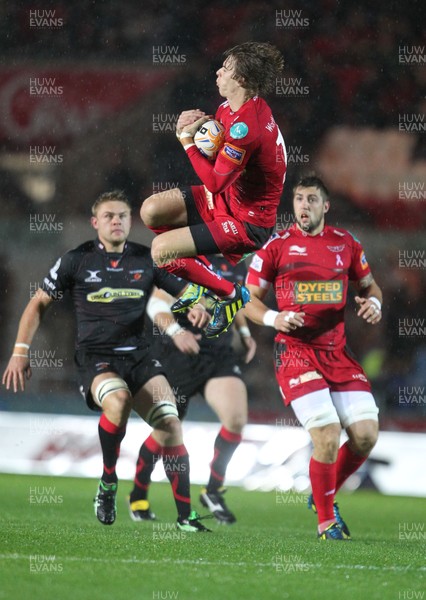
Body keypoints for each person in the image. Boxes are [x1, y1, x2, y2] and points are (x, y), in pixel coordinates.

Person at [2, 190, 210, 533]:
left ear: (132, 221)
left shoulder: (147, 259)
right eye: (109, 216)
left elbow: (182, 290)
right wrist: (20, 351)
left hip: (139, 358)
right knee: (118, 401)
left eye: (123, 216)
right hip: (96, 359)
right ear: (95, 222)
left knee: (170, 423)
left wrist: (196, 305)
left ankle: (185, 518)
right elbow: (38, 303)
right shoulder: (76, 259)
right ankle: (109, 481)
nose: (117, 221)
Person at [243, 175, 381, 540]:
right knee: (327, 434)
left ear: (326, 206)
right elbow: (247, 299)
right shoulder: (276, 246)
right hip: (296, 354)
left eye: (312, 199)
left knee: (366, 435)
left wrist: (374, 304)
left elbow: (369, 286)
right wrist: (275, 318)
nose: (304, 205)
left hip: (338, 353)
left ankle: (323, 493)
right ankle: (326, 522)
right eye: (299, 199)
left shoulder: (346, 244)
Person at [140, 41, 286, 338]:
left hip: (246, 223)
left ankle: (231, 295)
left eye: (226, 69)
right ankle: (200, 274)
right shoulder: (229, 108)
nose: (218, 72)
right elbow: (221, 156)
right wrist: (196, 125)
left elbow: (216, 181)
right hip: (225, 200)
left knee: (161, 252)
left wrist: (186, 141)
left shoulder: (248, 127)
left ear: (241, 80)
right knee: (151, 211)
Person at [128, 256, 256, 525]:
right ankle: (138, 493)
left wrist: (244, 333)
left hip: (218, 355)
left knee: (235, 420)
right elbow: (156, 304)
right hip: (178, 354)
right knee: (166, 430)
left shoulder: (236, 262)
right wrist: (177, 332)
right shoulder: (185, 257)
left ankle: (213, 489)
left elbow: (235, 300)